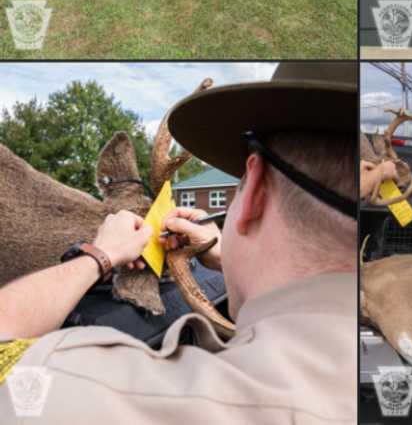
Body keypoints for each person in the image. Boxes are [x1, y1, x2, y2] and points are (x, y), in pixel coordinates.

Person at [0, 62, 357, 424]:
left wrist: (99, 255)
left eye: (236, 189)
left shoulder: (90, 389)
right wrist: (221, 256)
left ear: (255, 190)